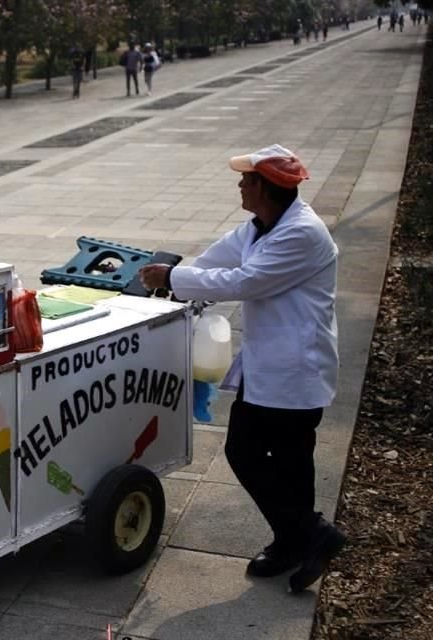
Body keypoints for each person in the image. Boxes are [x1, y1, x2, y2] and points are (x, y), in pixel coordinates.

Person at [138, 144, 347, 594]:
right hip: (267, 363)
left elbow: (245, 282)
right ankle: (296, 540)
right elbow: (217, 263)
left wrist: (173, 280)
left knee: (260, 455)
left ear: (265, 188)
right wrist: (176, 284)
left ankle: (311, 535)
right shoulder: (260, 226)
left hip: (296, 367)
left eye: (246, 179)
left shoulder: (302, 233)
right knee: (279, 461)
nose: (239, 185)